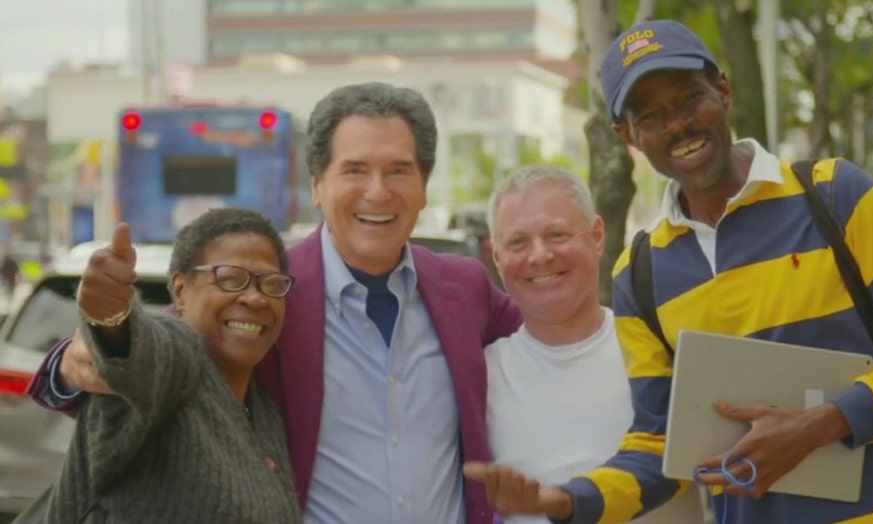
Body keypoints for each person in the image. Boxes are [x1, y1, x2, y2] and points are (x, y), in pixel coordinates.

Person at [464, 19, 873, 524]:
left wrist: (824, 424)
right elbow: (659, 446)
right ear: (628, 136)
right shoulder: (641, 274)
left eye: (689, 100)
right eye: (651, 116)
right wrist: (562, 501)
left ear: (723, 90)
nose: (678, 126)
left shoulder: (835, 196)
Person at [28, 82, 522, 524]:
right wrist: (83, 349)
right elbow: (157, 348)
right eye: (355, 170)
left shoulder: (465, 288)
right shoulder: (268, 290)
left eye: (398, 171)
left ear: (423, 188)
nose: (378, 191)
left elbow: (550, 337)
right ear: (317, 186)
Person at [19, 209, 301, 523]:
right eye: (231, 279)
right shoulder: (178, 363)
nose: (255, 298)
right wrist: (110, 316)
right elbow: (145, 352)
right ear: (180, 290)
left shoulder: (264, 410)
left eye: (272, 284)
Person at [482, 164, 704, 524]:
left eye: (556, 235)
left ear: (597, 236)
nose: (539, 256)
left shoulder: (660, 349)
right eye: (518, 242)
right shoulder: (481, 376)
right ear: (496, 256)